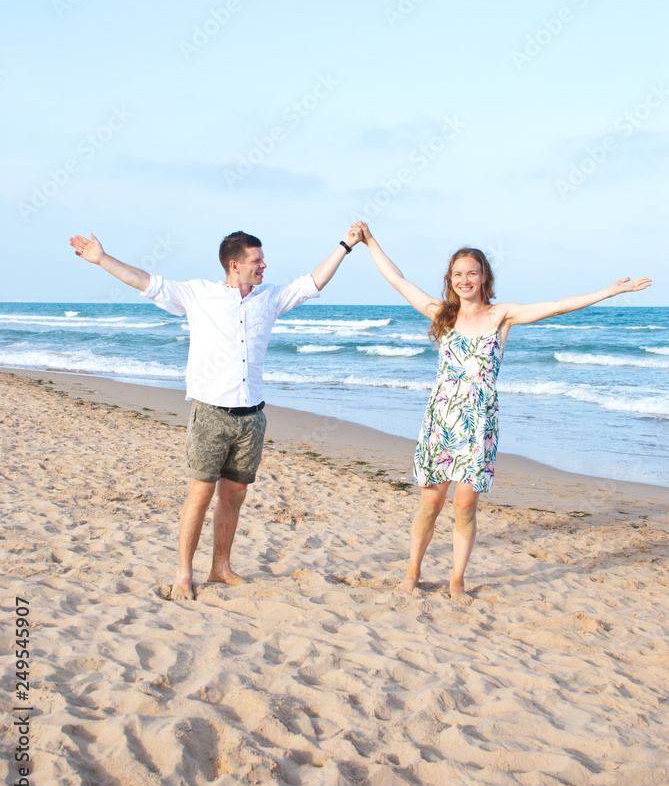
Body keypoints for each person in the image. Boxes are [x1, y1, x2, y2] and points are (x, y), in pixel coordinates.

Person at [356, 222, 651, 603]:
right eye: (458, 274)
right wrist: (370, 241)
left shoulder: (502, 316)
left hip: (479, 423)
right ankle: (411, 573)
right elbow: (398, 279)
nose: (465, 280)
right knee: (430, 501)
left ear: (483, 277)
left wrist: (609, 292)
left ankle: (456, 581)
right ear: (451, 279)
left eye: (472, 274)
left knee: (465, 506)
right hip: (441, 420)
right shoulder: (442, 314)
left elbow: (557, 306)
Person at [69, 226, 363, 601]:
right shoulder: (198, 295)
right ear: (234, 264)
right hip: (210, 414)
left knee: (233, 496)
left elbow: (312, 282)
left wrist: (346, 245)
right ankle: (183, 573)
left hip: (251, 417)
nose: (264, 266)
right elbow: (146, 281)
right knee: (200, 495)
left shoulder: (269, 299)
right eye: (257, 261)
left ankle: (221, 567)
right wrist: (102, 259)